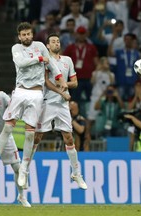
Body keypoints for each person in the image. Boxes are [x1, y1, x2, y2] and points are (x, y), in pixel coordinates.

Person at [0, 22, 67, 189]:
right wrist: (39, 59)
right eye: (24, 35)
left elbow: (51, 63)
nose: (27, 37)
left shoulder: (40, 46)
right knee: (7, 127)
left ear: (32, 34)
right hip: (20, 91)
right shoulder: (16, 48)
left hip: (36, 93)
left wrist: (60, 77)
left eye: (29, 34)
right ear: (19, 36)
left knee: (30, 134)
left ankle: (24, 170)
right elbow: (21, 63)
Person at [28, 33, 87, 189]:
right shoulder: (46, 61)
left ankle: (76, 173)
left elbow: (74, 82)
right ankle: (25, 168)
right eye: (53, 41)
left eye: (58, 41)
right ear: (47, 46)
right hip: (47, 102)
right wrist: (61, 90)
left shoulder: (67, 60)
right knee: (38, 136)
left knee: (68, 138)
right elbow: (46, 82)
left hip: (62, 105)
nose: (56, 43)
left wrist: (65, 84)